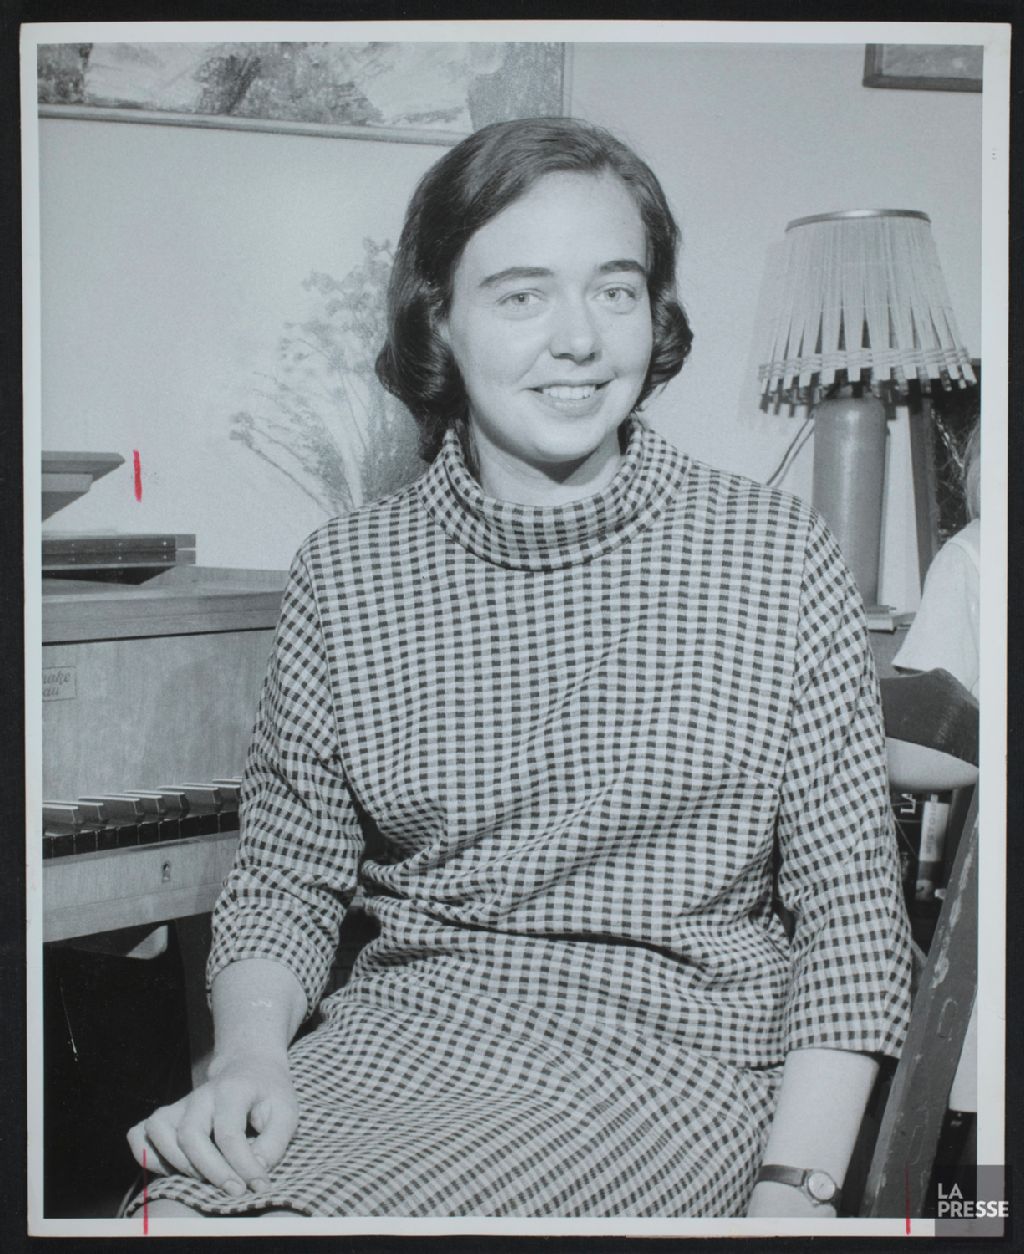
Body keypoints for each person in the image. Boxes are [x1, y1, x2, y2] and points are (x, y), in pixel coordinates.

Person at [126, 117, 911, 1220]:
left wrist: (798, 1186)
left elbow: (849, 915)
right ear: (437, 318)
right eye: (521, 294)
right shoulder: (347, 572)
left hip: (669, 1065)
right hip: (399, 1040)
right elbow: (286, 882)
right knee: (176, 1215)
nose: (578, 339)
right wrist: (251, 1061)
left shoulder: (774, 553)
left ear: (655, 314)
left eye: (616, 290)